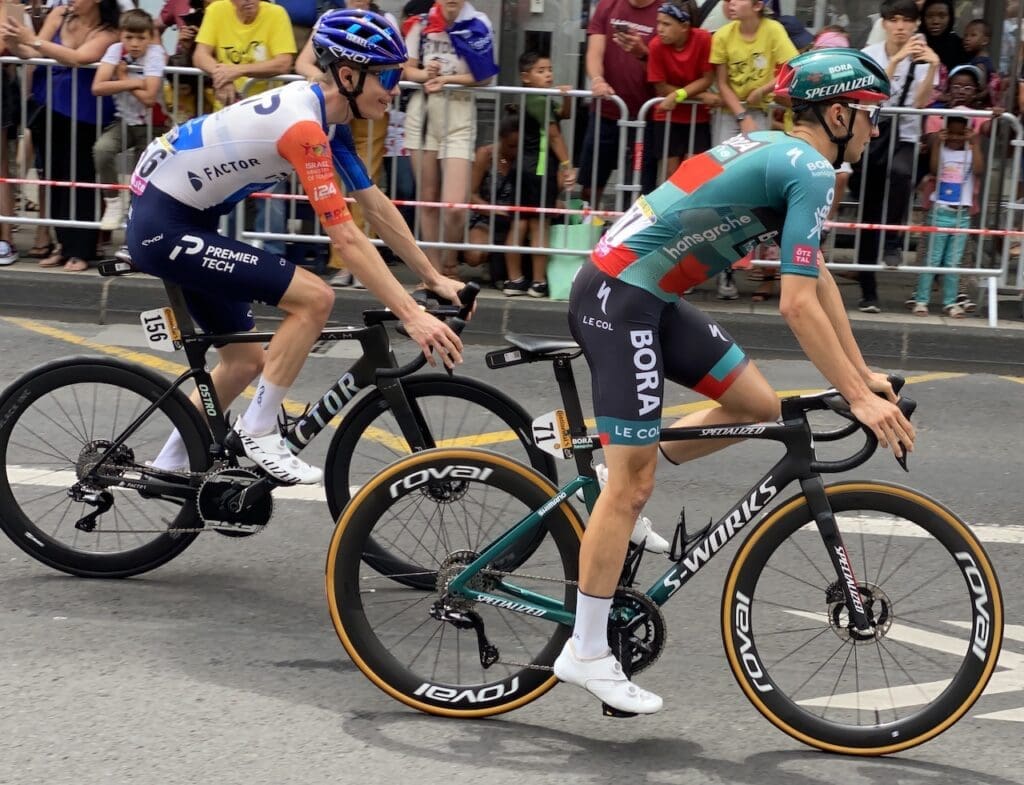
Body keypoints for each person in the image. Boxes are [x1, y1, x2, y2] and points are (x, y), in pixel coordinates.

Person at [554, 48, 916, 715]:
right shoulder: (812, 169)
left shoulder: (784, 152)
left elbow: (816, 278)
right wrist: (858, 399)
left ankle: (610, 474)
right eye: (870, 115)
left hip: (646, 294)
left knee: (757, 406)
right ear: (839, 115)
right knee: (634, 486)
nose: (874, 129)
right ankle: (586, 649)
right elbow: (795, 306)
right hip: (620, 299)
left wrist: (861, 372)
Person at [127, 9, 467, 484]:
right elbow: (345, 237)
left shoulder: (329, 118)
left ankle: (168, 468)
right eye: (387, 77)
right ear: (347, 76)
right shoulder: (304, 128)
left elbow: (375, 206)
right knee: (314, 298)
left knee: (245, 362)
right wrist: (412, 315)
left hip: (186, 218)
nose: (393, 89)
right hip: (164, 226)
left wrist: (432, 277)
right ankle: (258, 431)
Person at [851, 0, 938, 313]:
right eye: (894, 20)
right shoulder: (870, 54)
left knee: (902, 174)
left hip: (905, 136)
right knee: (870, 209)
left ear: (916, 24)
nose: (900, 26)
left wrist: (934, 66)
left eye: (907, 20)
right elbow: (873, 95)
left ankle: (892, 241)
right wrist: (897, 59)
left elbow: (921, 103)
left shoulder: (924, 57)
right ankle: (868, 290)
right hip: (873, 137)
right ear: (884, 23)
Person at [192, 0, 297, 258]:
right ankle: (226, 249)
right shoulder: (217, 10)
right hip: (228, 117)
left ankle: (272, 255)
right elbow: (200, 55)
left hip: (269, 119)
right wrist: (221, 74)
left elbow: (283, 62)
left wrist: (237, 71)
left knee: (271, 187)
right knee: (226, 183)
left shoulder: (276, 14)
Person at [402, 0, 498, 281]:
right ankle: (433, 274)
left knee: (454, 206)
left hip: (458, 111)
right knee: (428, 199)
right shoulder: (421, 24)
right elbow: (407, 69)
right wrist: (426, 74)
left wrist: (447, 79)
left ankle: (450, 263)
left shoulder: (478, 24)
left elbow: (485, 77)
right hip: (423, 112)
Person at [709, 0, 797, 301]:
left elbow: (791, 67)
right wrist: (741, 115)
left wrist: (763, 90)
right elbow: (722, 83)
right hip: (731, 114)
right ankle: (723, 268)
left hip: (760, 112)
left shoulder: (773, 30)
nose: (731, 3)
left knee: (757, 190)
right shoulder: (723, 35)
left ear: (758, 5)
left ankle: (760, 265)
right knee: (721, 185)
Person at [499, 51, 575, 298]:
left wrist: (566, 98)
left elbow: (564, 115)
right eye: (540, 71)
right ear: (526, 77)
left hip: (524, 168)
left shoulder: (541, 98)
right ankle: (538, 282)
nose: (548, 74)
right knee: (538, 224)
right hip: (539, 170)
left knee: (520, 222)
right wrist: (567, 164)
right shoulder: (538, 100)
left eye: (549, 69)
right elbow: (554, 136)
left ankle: (515, 280)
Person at [92, 9, 166, 233]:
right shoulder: (115, 50)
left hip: (153, 125)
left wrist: (123, 77)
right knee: (102, 149)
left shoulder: (155, 53)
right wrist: (134, 82)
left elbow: (150, 98)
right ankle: (113, 202)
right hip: (124, 120)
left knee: (142, 177)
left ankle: (136, 229)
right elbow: (98, 86)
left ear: (150, 37)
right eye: (129, 37)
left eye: (141, 38)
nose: (134, 44)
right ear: (121, 35)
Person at [579, 0, 659, 208]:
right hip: (605, 110)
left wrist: (642, 53)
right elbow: (594, 52)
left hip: (645, 117)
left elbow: (664, 67)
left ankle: (629, 228)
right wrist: (597, 80)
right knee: (590, 185)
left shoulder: (664, 10)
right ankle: (589, 224)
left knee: (638, 189)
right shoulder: (608, 5)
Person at [910, 114, 982, 318]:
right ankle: (921, 300)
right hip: (940, 212)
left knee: (953, 262)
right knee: (932, 259)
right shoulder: (941, 150)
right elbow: (934, 169)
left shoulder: (971, 153)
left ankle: (950, 302)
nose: (956, 138)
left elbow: (979, 169)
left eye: (961, 134)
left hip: (962, 215)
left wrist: (975, 143)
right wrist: (937, 144)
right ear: (944, 132)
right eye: (952, 133)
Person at [647, 0, 715, 179]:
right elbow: (661, 88)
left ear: (684, 26)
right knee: (670, 174)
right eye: (658, 23)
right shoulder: (655, 46)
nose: (659, 29)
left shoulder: (703, 38)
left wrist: (678, 94)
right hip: (667, 116)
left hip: (697, 117)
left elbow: (707, 78)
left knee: (693, 174)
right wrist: (700, 96)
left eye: (666, 24)